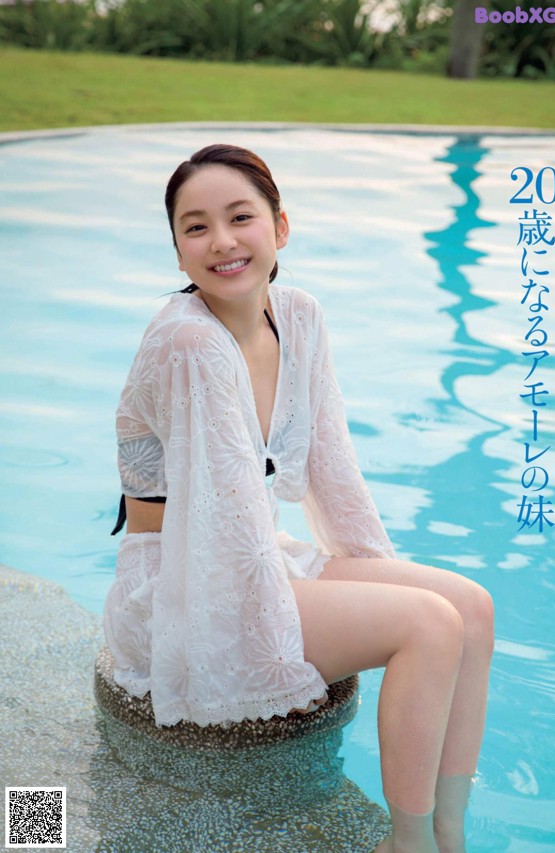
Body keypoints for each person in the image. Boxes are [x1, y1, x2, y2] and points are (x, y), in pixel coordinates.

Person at [103, 143, 494, 853]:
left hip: (251, 551)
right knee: (428, 626)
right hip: (183, 583)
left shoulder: (299, 316)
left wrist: (369, 578)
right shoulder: (189, 343)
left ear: (280, 227)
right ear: (178, 252)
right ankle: (404, 844)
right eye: (195, 227)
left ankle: (449, 830)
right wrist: (371, 616)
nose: (221, 240)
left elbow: (333, 473)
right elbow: (220, 530)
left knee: (470, 607)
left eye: (240, 217)